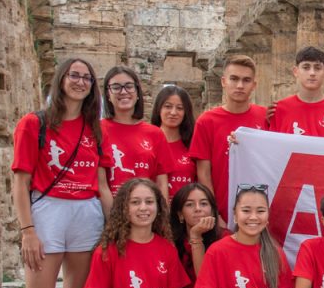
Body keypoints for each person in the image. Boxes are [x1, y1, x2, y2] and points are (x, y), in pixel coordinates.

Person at [11, 58, 110, 288]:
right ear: (61, 78)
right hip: (48, 212)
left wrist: (115, 225)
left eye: (87, 77)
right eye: (74, 75)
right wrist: (27, 230)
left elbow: (100, 182)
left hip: (85, 214)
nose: (80, 82)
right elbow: (20, 182)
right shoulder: (34, 124)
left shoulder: (92, 129)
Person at [190, 55, 267, 224]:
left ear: (254, 85)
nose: (240, 85)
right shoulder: (206, 121)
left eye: (246, 80)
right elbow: (203, 173)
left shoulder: (266, 117)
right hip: (223, 212)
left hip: (259, 212)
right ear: (223, 81)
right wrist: (215, 213)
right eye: (234, 79)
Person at [101, 66, 174, 199]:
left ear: (137, 92)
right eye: (116, 87)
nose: (123, 92)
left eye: (129, 86)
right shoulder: (98, 129)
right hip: (108, 211)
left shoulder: (155, 133)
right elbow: (100, 183)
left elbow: (161, 183)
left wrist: (162, 217)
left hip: (145, 212)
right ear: (108, 94)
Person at [268, 46, 324, 139]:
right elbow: (271, 148)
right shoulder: (281, 109)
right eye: (306, 67)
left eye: (317, 68)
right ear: (296, 71)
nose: (312, 73)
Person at [151, 85, 197, 198]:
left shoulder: (193, 144)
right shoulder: (147, 143)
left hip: (187, 211)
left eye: (180, 108)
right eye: (168, 106)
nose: (173, 112)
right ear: (159, 109)